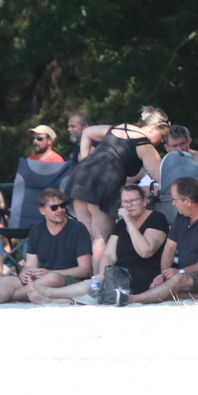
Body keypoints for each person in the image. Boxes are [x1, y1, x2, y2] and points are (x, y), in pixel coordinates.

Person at [69, 106, 169, 276]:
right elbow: (161, 177)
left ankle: (88, 278)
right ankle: (97, 282)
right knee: (101, 237)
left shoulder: (119, 127)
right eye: (162, 136)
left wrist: (85, 160)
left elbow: (87, 133)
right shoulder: (144, 144)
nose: (161, 141)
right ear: (153, 128)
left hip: (81, 175)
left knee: (88, 234)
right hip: (105, 182)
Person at [28, 185, 169, 304]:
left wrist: (129, 223)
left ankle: (48, 292)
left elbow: (145, 251)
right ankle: (49, 299)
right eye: (125, 202)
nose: (128, 205)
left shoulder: (156, 218)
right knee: (97, 282)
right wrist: (104, 273)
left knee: (94, 284)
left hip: (144, 274)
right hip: (119, 273)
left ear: (144, 201)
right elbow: (108, 254)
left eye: (133, 201)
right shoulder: (121, 225)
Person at [114, 177, 198, 305]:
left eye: (175, 199)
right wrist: (163, 275)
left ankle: (131, 299)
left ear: (188, 200)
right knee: (158, 287)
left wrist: (182, 271)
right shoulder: (182, 217)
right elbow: (169, 248)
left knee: (177, 280)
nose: (173, 203)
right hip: (189, 275)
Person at [0, 188, 92, 304]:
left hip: (68, 280)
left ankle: (11, 296)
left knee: (52, 278)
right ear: (42, 210)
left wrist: (50, 272)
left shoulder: (78, 229)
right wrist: (25, 272)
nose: (60, 210)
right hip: (42, 279)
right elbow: (30, 264)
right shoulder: (36, 230)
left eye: (62, 205)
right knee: (5, 280)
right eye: (54, 208)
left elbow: (84, 270)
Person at [153, 125, 198, 223]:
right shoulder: (164, 164)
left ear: (188, 141)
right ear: (166, 147)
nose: (179, 149)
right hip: (172, 206)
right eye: (175, 146)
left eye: (182, 144)